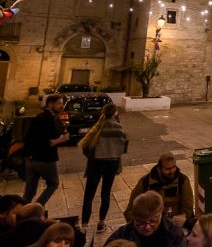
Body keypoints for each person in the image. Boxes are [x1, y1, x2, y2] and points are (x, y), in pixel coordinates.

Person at [78, 103, 128, 233]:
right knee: (106, 192)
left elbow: (85, 147)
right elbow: (123, 148)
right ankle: (101, 223)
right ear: (115, 113)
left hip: (96, 163)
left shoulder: (97, 127)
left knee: (89, 195)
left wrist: (93, 156)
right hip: (112, 164)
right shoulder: (119, 128)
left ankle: (84, 225)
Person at [125, 153, 194, 227]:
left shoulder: (182, 181)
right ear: (159, 169)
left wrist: (181, 220)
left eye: (174, 167)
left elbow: (187, 207)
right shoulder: (145, 182)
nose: (172, 171)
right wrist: (140, 225)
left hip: (173, 224)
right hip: (150, 224)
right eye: (168, 169)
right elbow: (131, 209)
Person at [23, 94, 69, 205]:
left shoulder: (40, 117)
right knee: (53, 183)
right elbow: (46, 143)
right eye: (59, 103)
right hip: (44, 159)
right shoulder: (47, 120)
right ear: (50, 104)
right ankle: (36, 208)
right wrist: (62, 139)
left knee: (30, 191)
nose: (61, 106)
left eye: (62, 103)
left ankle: (22, 210)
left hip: (31, 159)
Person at [106, 191, 185, 247]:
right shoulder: (122, 235)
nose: (147, 227)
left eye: (153, 221)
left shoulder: (174, 232)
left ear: (161, 214)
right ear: (134, 218)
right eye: (141, 222)